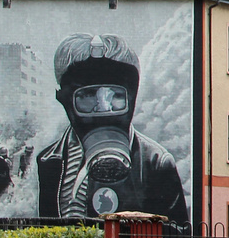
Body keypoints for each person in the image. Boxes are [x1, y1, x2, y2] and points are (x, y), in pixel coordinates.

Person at [37, 33, 190, 221]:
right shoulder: (48, 161)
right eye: (88, 96)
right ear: (63, 99)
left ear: (133, 97)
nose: (104, 109)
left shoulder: (156, 163)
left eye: (116, 96)